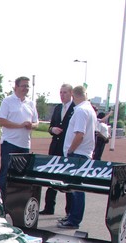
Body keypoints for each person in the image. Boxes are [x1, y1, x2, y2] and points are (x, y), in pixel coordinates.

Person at [58, 86, 97, 230]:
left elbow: (79, 134)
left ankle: (74, 219)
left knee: (76, 189)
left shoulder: (81, 110)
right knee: (76, 188)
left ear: (73, 95)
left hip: (78, 154)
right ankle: (72, 216)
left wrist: (70, 150)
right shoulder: (89, 109)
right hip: (83, 153)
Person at [0, 76, 39, 193]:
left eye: (27, 86)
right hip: (10, 143)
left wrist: (31, 125)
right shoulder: (7, 101)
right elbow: (1, 121)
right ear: (16, 87)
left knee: (21, 174)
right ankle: (0, 198)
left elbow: (36, 123)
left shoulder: (31, 103)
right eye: (23, 86)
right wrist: (20, 125)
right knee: (6, 172)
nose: (26, 88)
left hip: (25, 145)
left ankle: (16, 199)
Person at [42, 83, 75, 215]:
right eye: (61, 92)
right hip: (55, 147)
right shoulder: (57, 108)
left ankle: (69, 211)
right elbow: (50, 127)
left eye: (65, 92)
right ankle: (49, 207)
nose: (62, 95)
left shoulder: (76, 109)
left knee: (68, 180)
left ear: (71, 93)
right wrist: (52, 130)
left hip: (67, 148)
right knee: (51, 177)